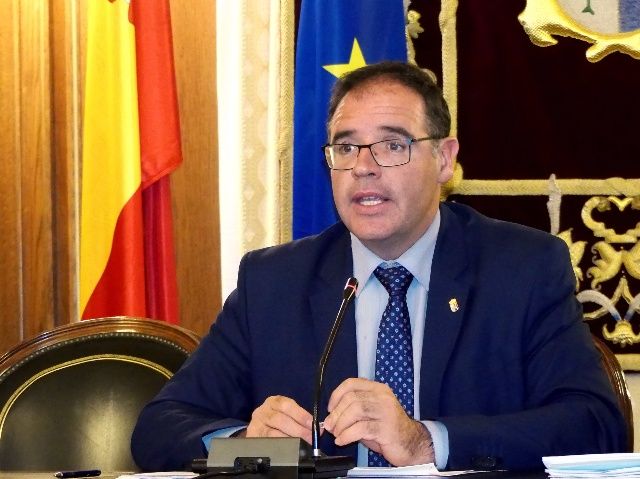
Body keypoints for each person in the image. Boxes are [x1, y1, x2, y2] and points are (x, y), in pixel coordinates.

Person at [131, 61, 626, 472]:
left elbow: (596, 425)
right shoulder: (273, 282)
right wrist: (246, 443)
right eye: (345, 148)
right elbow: (159, 428)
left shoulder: (522, 268)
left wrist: (425, 442)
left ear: (444, 159)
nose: (363, 167)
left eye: (392, 145)